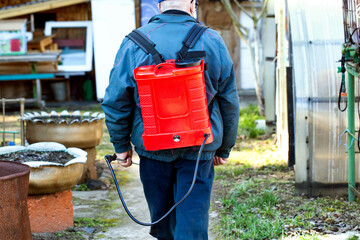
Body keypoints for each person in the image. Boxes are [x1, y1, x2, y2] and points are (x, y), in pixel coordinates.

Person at [102, 0, 239, 239]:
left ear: (159, 6)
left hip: (153, 145)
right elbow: (229, 99)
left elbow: (116, 100)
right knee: (193, 221)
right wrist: (224, 147)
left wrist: (121, 147)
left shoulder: (133, 42)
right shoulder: (212, 40)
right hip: (199, 145)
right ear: (192, 5)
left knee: (162, 219)